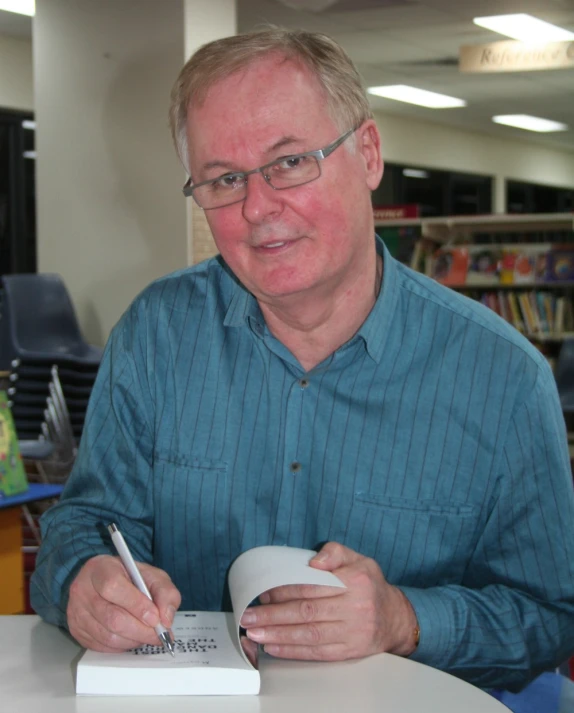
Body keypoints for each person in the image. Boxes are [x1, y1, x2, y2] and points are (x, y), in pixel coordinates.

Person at [31, 27, 574, 701]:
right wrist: (82, 577)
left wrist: (403, 618)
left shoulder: (505, 380)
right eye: (224, 178)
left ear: (369, 154)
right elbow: (85, 522)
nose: (258, 207)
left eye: (289, 162)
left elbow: (551, 617)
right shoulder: (156, 335)